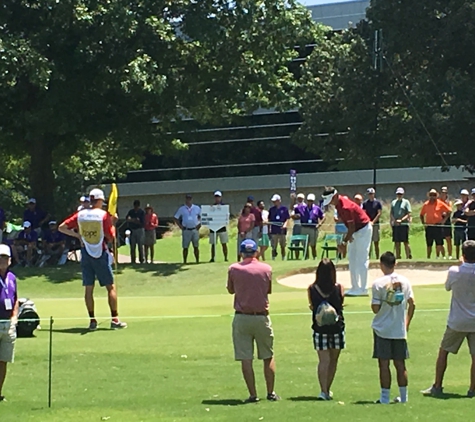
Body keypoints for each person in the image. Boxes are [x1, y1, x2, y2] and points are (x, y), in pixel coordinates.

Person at [59, 188, 127, 330]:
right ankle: (114, 319)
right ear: (100, 200)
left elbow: (62, 227)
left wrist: (79, 236)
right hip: (100, 253)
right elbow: (110, 236)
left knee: (88, 289)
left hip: (85, 253)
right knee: (110, 287)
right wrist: (113, 223)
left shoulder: (81, 214)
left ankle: (92, 321)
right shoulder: (103, 215)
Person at [226, 239, 279, 403]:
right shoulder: (266, 269)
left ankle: (253, 394)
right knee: (267, 356)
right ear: (256, 252)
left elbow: (230, 290)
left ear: (242, 253)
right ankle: (270, 393)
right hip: (261, 316)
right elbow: (267, 290)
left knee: (246, 358)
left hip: (242, 316)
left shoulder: (234, 269)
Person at [422, 240, 475, 398]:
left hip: (457, 320)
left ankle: (437, 385)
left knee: (444, 352)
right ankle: (472, 389)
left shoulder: (454, 271)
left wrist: (460, 265)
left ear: (463, 255)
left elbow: (447, 287)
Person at [371, 252, 416, 404]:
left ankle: (384, 398)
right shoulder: (405, 281)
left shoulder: (378, 283)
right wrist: (407, 322)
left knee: (383, 363)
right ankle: (404, 397)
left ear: (381, 264)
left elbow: (376, 308)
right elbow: (412, 303)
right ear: (395, 263)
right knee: (400, 363)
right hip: (399, 328)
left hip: (382, 328)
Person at [322, 187, 372, 296]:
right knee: (352, 258)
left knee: (362, 258)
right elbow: (349, 226)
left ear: (335, 196)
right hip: (354, 230)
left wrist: (344, 242)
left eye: (330, 200)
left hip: (363, 229)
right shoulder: (338, 205)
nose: (329, 203)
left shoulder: (346, 207)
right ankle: (355, 287)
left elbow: (352, 227)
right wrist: (348, 237)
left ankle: (363, 289)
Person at [307, 259, 345, 400]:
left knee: (323, 360)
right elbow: (341, 302)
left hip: (320, 328)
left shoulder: (312, 288)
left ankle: (323, 390)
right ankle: (327, 388)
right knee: (333, 360)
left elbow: (312, 305)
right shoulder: (339, 287)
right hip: (337, 328)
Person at [0, 244, 18, 403]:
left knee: (3, 360)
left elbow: (16, 299)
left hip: (8, 325)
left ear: (10, 260)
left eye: (5, 258)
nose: (2, 260)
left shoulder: (12, 277)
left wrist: (14, 317)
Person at [420, 189, 451, 259]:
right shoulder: (426, 204)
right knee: (429, 244)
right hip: (429, 226)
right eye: (431, 195)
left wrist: (444, 220)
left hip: (437, 225)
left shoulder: (440, 203)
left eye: (434, 195)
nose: (432, 197)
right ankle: (428, 257)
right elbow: (421, 214)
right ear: (429, 196)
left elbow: (449, 211)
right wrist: (423, 223)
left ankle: (441, 256)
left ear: (436, 196)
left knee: (439, 243)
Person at [295, 194, 325, 259]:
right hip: (304, 228)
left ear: (313, 201)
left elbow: (323, 217)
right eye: (308, 201)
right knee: (304, 245)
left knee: (313, 245)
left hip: (313, 228)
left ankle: (314, 257)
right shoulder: (302, 208)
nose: (310, 202)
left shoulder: (317, 208)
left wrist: (319, 224)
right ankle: (306, 257)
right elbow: (294, 211)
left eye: (311, 201)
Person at [173, 194, 201, 264]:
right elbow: (175, 218)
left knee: (196, 246)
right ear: (185, 199)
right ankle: (185, 261)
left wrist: (199, 224)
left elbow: (202, 216)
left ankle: (197, 261)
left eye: (190, 199)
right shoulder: (182, 209)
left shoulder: (197, 208)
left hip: (195, 229)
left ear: (192, 199)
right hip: (186, 230)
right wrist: (180, 226)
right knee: (185, 247)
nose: (189, 200)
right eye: (187, 199)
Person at [390, 187, 412, 260]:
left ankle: (408, 256)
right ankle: (398, 256)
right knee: (397, 242)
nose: (399, 195)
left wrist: (401, 220)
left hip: (404, 224)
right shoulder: (393, 202)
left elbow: (409, 213)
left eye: (400, 194)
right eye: (398, 194)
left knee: (405, 241)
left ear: (403, 194)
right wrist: (394, 220)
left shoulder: (406, 202)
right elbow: (391, 213)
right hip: (396, 225)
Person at [209, 191, 228, 263]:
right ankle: (212, 258)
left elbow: (227, 216)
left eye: (218, 197)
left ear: (221, 197)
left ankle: (225, 257)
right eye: (216, 197)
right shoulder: (211, 207)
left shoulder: (224, 207)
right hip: (213, 228)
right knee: (213, 244)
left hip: (222, 228)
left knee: (224, 243)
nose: (217, 198)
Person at [363, 188, 383, 259]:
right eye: (369, 194)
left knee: (376, 242)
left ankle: (377, 257)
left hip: (375, 224)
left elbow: (379, 213)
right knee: (368, 242)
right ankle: (368, 257)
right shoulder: (365, 203)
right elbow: (364, 213)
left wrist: (373, 222)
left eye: (372, 194)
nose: (370, 195)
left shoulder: (377, 203)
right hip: (367, 224)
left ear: (374, 194)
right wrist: (368, 221)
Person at [126, 200, 145, 264]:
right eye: (135, 206)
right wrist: (133, 220)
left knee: (140, 245)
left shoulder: (141, 212)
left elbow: (141, 222)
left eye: (137, 206)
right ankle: (133, 260)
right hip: (132, 230)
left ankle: (141, 259)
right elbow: (128, 219)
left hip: (139, 230)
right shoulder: (131, 212)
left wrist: (133, 220)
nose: (136, 207)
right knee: (132, 246)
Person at [440, 187, 453, 259]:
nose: (443, 194)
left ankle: (450, 255)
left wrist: (444, 219)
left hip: (447, 221)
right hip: (440, 220)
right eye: (442, 192)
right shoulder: (438, 201)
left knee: (448, 239)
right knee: (440, 239)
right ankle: (443, 255)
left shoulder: (449, 202)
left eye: (445, 192)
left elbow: (449, 211)